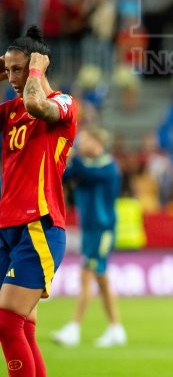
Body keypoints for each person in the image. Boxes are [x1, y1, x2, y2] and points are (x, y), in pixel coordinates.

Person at [0, 26, 78, 377]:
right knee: (22, 328)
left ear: (37, 66)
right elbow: (21, 99)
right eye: (8, 70)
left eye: (19, 69)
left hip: (40, 225)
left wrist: (34, 70)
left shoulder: (62, 104)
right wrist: (4, 69)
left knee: (7, 321)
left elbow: (36, 102)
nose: (13, 78)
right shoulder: (10, 110)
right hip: (8, 228)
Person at [52, 126, 126, 348]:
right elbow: (64, 175)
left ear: (97, 143)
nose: (80, 145)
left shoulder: (108, 167)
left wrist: (70, 155)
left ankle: (74, 328)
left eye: (84, 141)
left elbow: (82, 172)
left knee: (86, 274)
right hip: (90, 230)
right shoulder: (85, 166)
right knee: (101, 279)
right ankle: (116, 329)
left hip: (102, 230)